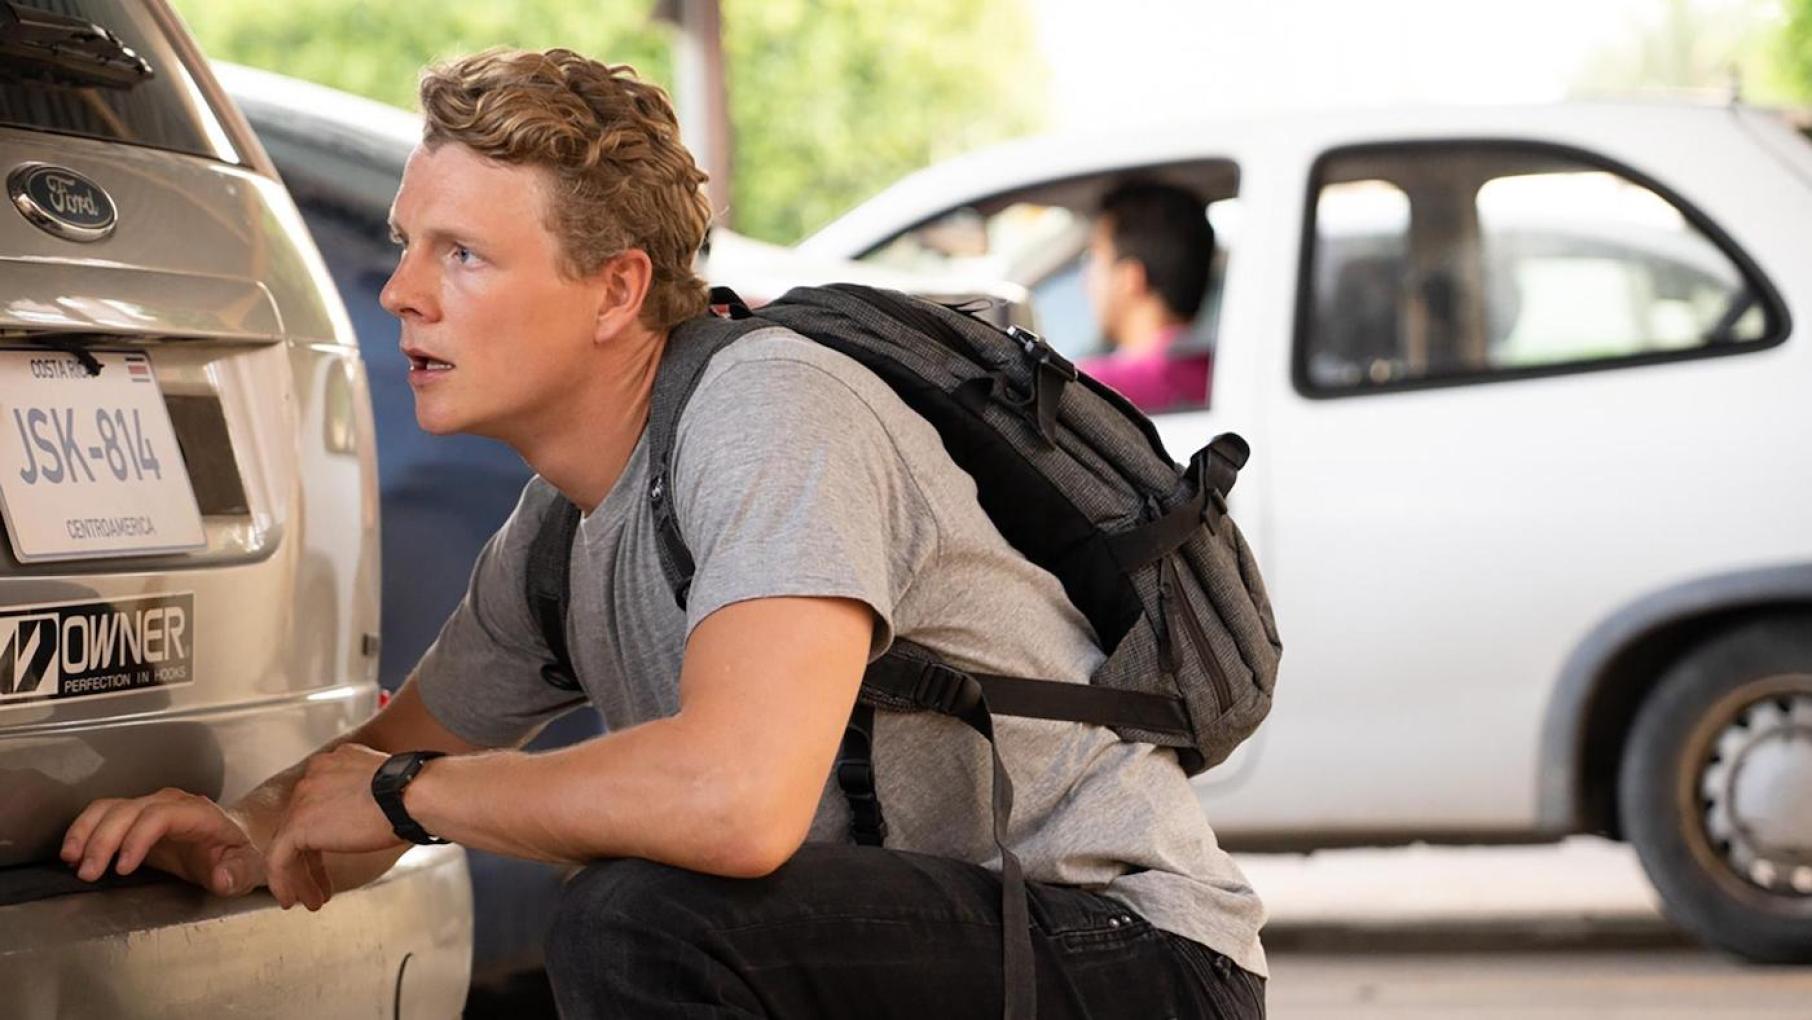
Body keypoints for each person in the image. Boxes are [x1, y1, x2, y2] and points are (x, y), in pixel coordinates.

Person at [59, 48, 1266, 1018]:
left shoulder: (770, 410)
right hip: (930, 953)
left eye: (463, 255)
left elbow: (735, 802)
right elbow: (371, 778)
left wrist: (408, 796)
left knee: (638, 917)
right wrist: (243, 831)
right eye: (406, 245)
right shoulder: (562, 529)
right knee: (627, 921)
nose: (400, 293)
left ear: (619, 290)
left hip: (1131, 960)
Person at [1078, 180, 1216, 412]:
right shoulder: (1221, 374)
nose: (1085, 284)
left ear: (1130, 278)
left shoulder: (1090, 387)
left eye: (1094, 260)